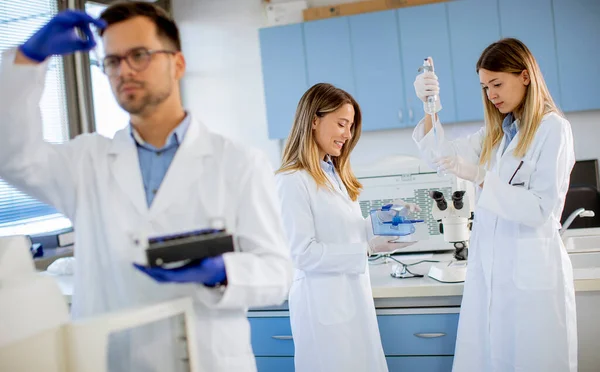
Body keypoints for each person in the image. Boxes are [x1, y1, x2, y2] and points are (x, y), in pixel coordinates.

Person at [0, 3, 292, 372]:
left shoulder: (237, 162)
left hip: (207, 359)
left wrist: (223, 272)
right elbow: (12, 155)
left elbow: (277, 272)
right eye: (112, 61)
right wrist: (28, 57)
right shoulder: (85, 163)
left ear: (178, 64)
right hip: (114, 359)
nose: (124, 70)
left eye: (139, 55)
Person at [413, 38, 577, 371]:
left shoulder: (553, 130)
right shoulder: (498, 133)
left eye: (497, 84)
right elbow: (440, 156)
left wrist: (482, 178)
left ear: (525, 76)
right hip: (492, 273)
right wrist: (429, 106)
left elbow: (540, 209)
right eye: (485, 87)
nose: (491, 94)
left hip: (532, 276)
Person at [275, 83, 420, 372]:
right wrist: (366, 249)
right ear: (314, 120)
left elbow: (344, 232)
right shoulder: (292, 180)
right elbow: (302, 253)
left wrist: (382, 218)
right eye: (341, 124)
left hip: (350, 303)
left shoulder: (331, 172)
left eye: (351, 126)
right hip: (323, 311)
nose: (348, 134)